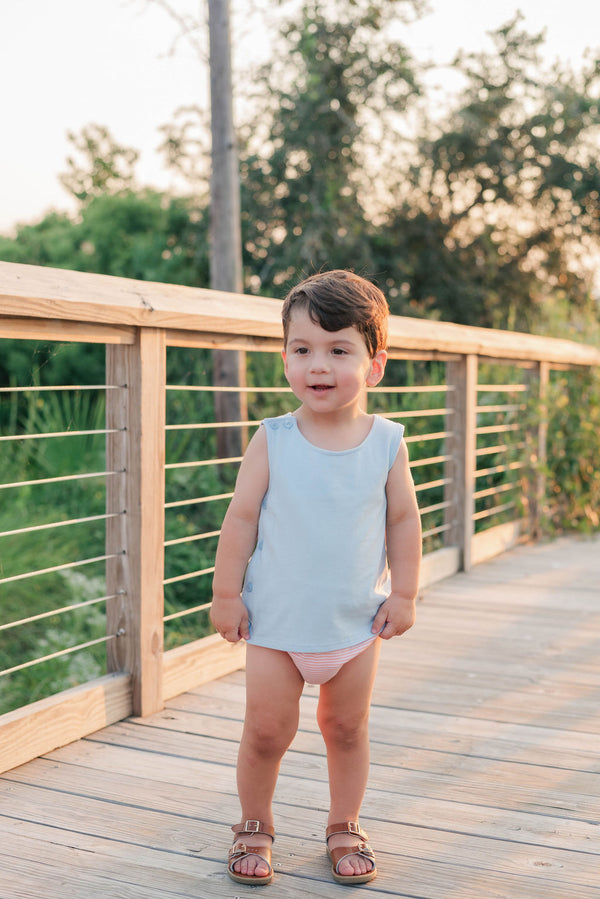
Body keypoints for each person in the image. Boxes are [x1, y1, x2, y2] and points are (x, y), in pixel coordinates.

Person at [210, 269, 422, 886]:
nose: (318, 365)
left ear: (374, 365)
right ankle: (254, 822)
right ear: (285, 359)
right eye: (302, 350)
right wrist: (227, 594)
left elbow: (404, 520)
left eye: (338, 349)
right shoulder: (273, 439)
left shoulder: (386, 442)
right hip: (276, 623)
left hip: (355, 623)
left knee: (347, 729)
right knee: (267, 731)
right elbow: (241, 519)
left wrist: (405, 593)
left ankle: (344, 822)